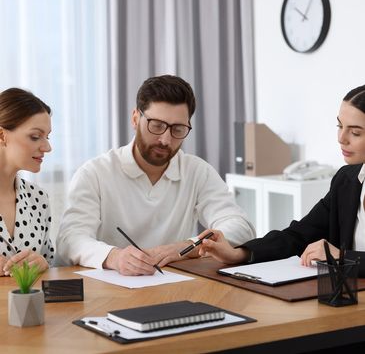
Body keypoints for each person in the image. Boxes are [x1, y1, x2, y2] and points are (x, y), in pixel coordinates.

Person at [56, 74, 255, 275]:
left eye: (178, 129)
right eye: (157, 126)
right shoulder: (95, 173)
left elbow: (241, 227)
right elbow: (70, 240)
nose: (165, 140)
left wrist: (187, 247)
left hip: (174, 285)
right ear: (135, 118)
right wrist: (114, 257)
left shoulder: (196, 171)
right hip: (111, 287)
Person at [198, 84, 365, 277]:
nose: (341, 138)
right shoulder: (346, 180)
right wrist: (239, 253)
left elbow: (341, 256)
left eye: (355, 132)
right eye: (339, 126)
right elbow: (298, 235)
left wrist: (343, 256)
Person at [0, 87, 54, 276]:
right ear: (2, 135)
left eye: (47, 137)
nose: (47, 147)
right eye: (35, 136)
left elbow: (50, 261)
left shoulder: (38, 198)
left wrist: (43, 264)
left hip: (29, 305)